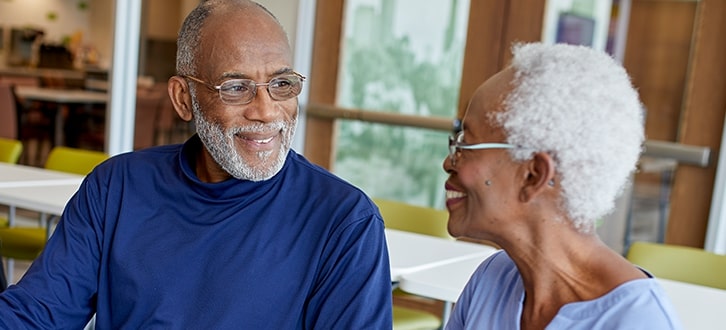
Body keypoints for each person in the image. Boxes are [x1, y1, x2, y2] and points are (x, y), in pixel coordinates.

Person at [0, 1, 392, 328]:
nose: (267, 110)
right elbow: (35, 315)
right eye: (236, 88)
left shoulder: (344, 222)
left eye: (282, 84)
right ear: (183, 98)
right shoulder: (116, 187)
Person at [443, 42, 682, 329]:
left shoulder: (637, 322)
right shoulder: (492, 278)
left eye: (466, 145)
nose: (448, 162)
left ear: (534, 175)